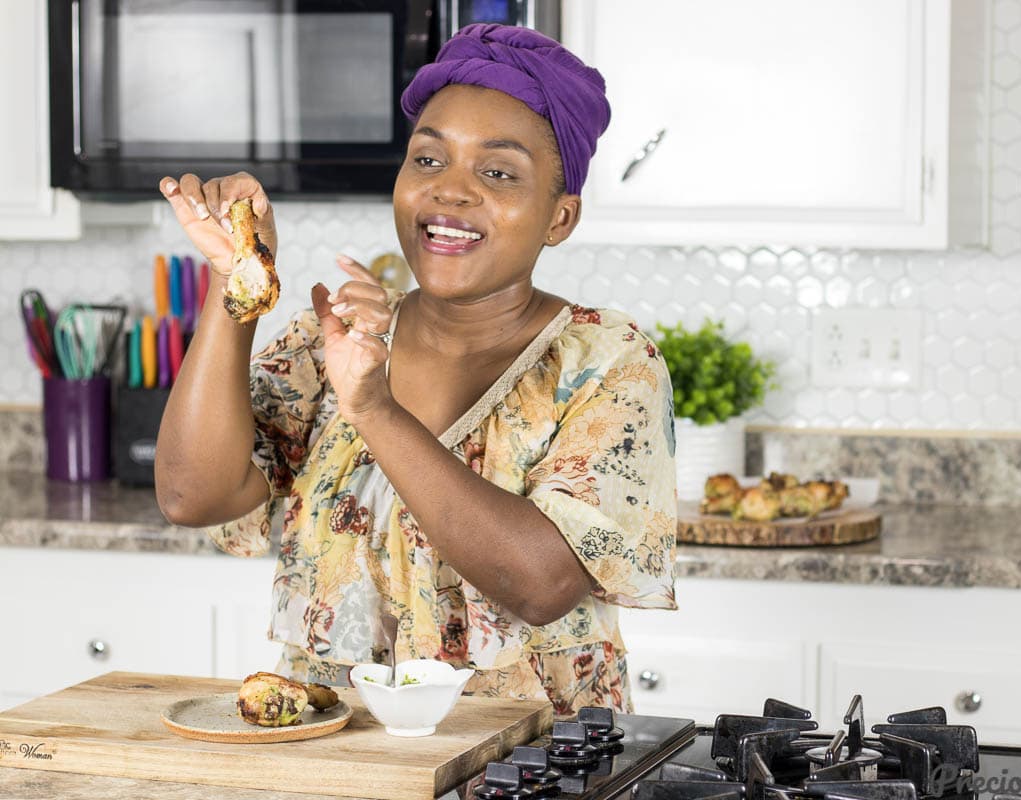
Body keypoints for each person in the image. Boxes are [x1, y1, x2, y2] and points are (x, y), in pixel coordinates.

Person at [154, 24, 677, 714]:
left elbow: (541, 584)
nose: (450, 191)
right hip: (333, 756)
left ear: (560, 217)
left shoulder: (604, 364)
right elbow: (193, 496)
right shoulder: (329, 339)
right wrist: (240, 284)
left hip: (530, 767)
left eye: (497, 172)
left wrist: (374, 408)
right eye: (428, 160)